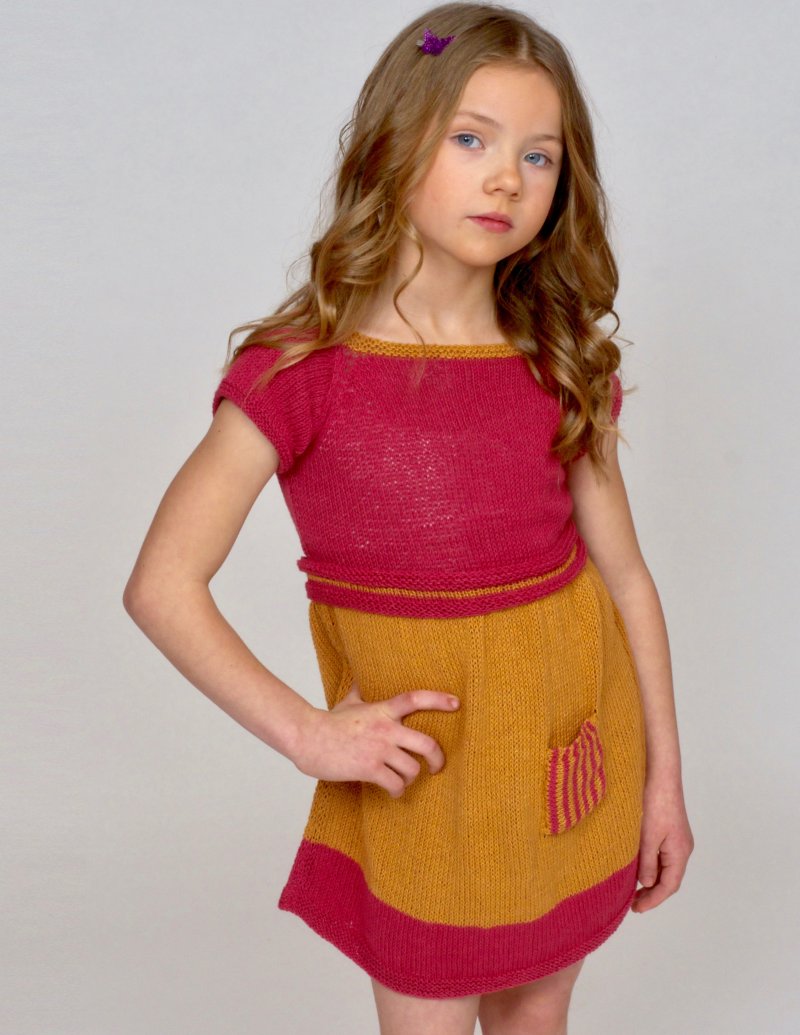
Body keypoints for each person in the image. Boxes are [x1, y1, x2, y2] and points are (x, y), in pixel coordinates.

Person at [123, 3, 694, 1032]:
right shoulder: (303, 372)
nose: (506, 178)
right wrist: (304, 733)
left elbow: (626, 581)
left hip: (572, 764)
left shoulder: (558, 362)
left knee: (538, 1012)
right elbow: (162, 584)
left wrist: (664, 784)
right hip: (429, 793)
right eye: (471, 140)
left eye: (538, 156)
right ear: (396, 144)